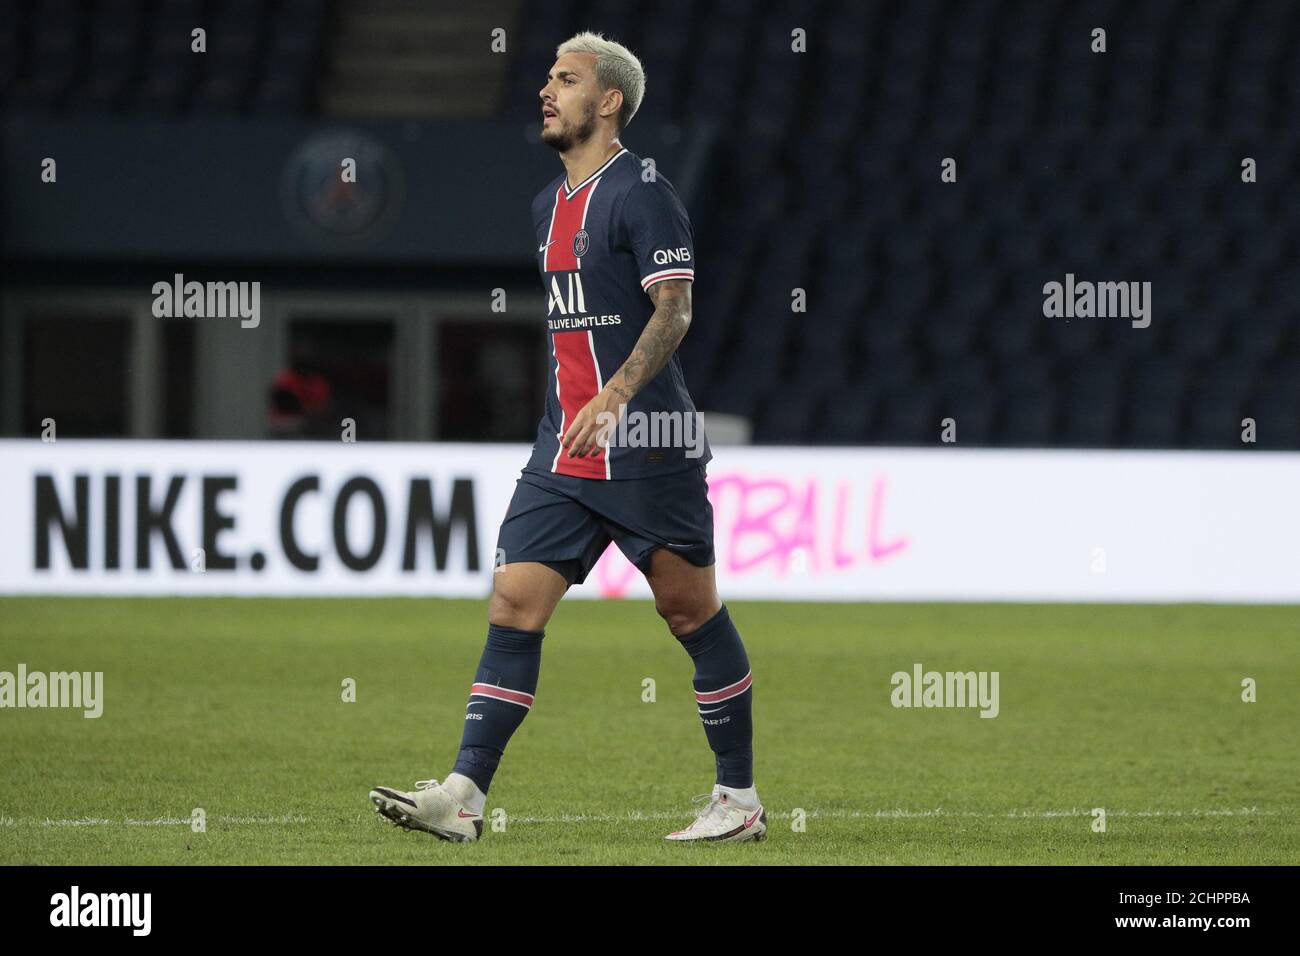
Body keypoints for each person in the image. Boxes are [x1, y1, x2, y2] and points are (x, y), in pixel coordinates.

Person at [370, 31, 763, 844]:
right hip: (563, 449)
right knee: (514, 602)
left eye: (567, 80)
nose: (546, 91)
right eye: (547, 78)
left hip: (647, 442)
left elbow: (676, 308)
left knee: (690, 615)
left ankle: (738, 799)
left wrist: (619, 393)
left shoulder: (644, 191)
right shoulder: (548, 205)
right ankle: (464, 797)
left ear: (609, 100)